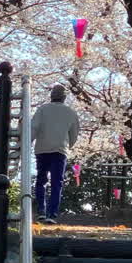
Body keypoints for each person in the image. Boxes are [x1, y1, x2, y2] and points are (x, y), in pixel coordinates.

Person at [31, 84, 80, 224]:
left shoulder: (42, 110)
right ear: (64, 97)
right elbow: (74, 135)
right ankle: (52, 214)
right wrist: (67, 146)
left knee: (41, 180)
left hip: (42, 149)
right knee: (56, 182)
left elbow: (33, 128)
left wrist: (28, 142)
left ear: (51, 96)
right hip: (60, 150)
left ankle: (41, 210)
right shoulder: (70, 112)